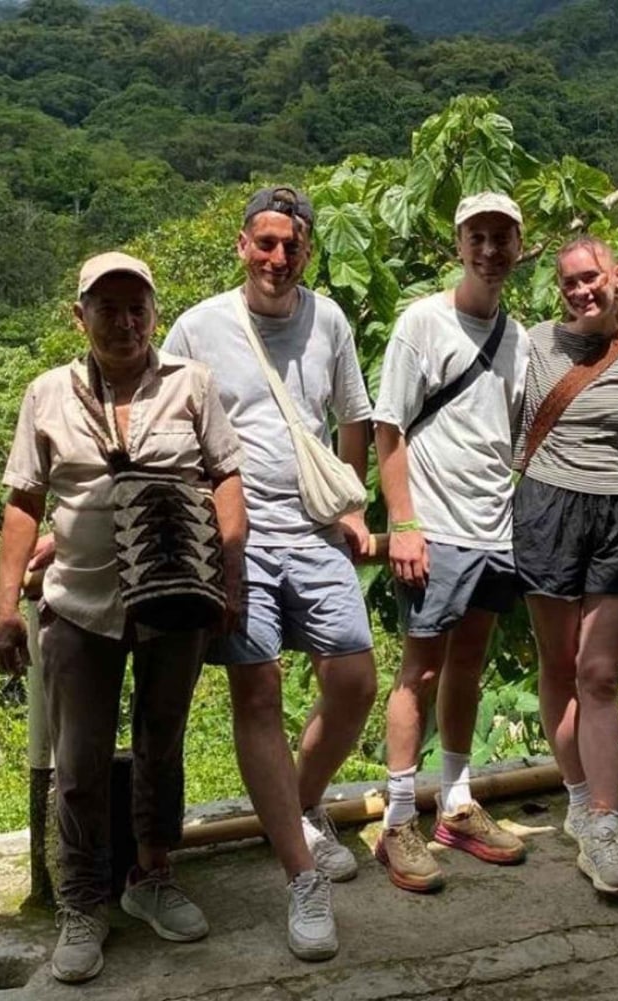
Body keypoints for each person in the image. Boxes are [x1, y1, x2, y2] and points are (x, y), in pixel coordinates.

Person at [0, 253, 247, 983]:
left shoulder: (190, 385)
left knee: (161, 744)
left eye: (137, 307)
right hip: (78, 603)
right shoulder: (46, 394)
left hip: (177, 598)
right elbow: (23, 503)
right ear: (80, 316)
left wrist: (231, 579)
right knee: (79, 761)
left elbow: (226, 475)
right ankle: (81, 900)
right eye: (108, 307)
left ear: (154, 314)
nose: (125, 321)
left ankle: (153, 877)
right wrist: (6, 608)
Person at [162, 186, 377, 960]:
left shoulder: (331, 320)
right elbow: (167, 421)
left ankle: (302, 803)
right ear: (241, 245)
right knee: (258, 691)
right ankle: (300, 875)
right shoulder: (198, 326)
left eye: (291, 247)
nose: (277, 259)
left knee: (353, 679)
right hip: (239, 543)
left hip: (315, 533)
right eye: (265, 244)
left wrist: (349, 503)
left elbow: (352, 415)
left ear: (305, 251)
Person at [371, 192, 530, 893]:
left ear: (519, 247)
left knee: (470, 662)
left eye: (502, 238)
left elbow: (516, 429)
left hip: (495, 525)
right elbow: (389, 429)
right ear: (458, 244)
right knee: (421, 670)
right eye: (478, 237)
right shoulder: (422, 323)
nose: (490, 250)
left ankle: (457, 801)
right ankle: (399, 816)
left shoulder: (518, 337)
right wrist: (404, 521)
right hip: (435, 527)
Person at [514, 236, 618, 897]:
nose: (583, 291)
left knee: (598, 671)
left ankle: (605, 825)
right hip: (545, 507)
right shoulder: (534, 344)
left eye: (592, 278)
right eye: (570, 281)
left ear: (617, 276)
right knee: (558, 665)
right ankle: (578, 795)